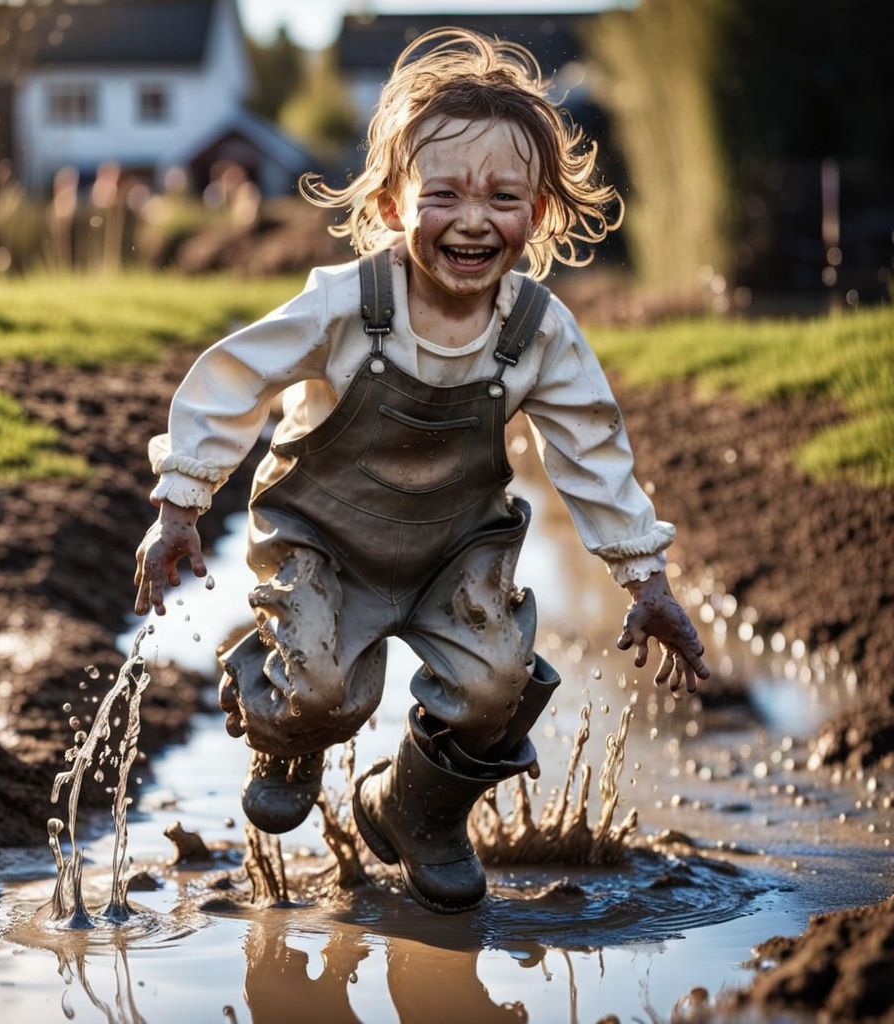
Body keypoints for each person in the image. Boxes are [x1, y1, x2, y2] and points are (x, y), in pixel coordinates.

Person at [134, 27, 709, 914]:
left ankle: (416, 811)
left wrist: (645, 577)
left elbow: (591, 453)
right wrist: (180, 503)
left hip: (451, 551)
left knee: (497, 686)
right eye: (443, 193)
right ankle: (288, 733)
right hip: (322, 538)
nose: (474, 219)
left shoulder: (538, 333)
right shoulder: (346, 303)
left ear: (541, 213)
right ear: (398, 207)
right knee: (324, 686)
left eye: (503, 197)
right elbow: (235, 377)